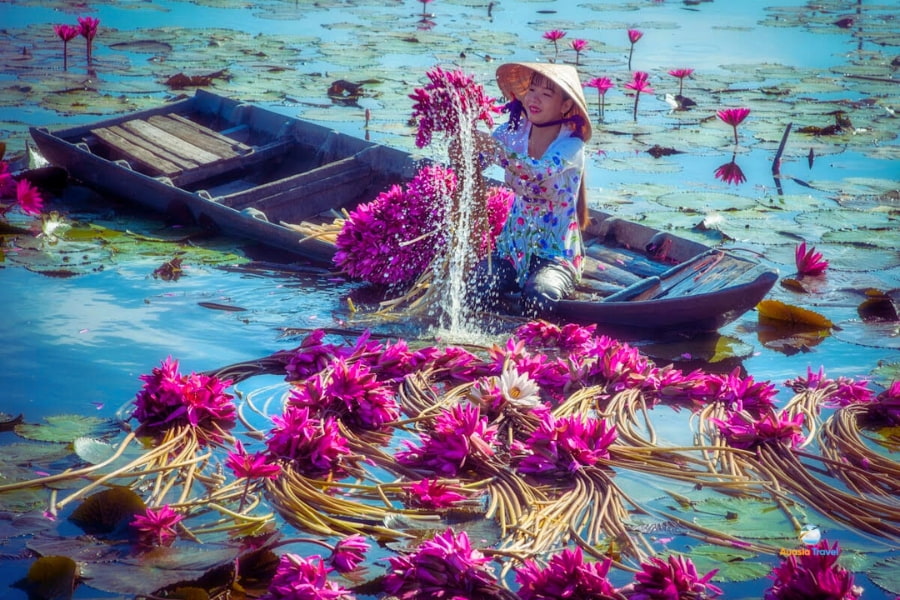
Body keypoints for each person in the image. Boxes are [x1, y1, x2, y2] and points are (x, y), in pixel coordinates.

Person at [471, 62, 592, 317]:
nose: (534, 99)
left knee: (538, 297)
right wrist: (464, 142)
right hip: (511, 249)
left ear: (565, 106)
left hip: (556, 254)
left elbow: (535, 172)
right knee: (478, 286)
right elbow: (476, 164)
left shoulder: (571, 145)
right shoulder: (511, 132)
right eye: (532, 90)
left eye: (546, 94)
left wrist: (495, 150)